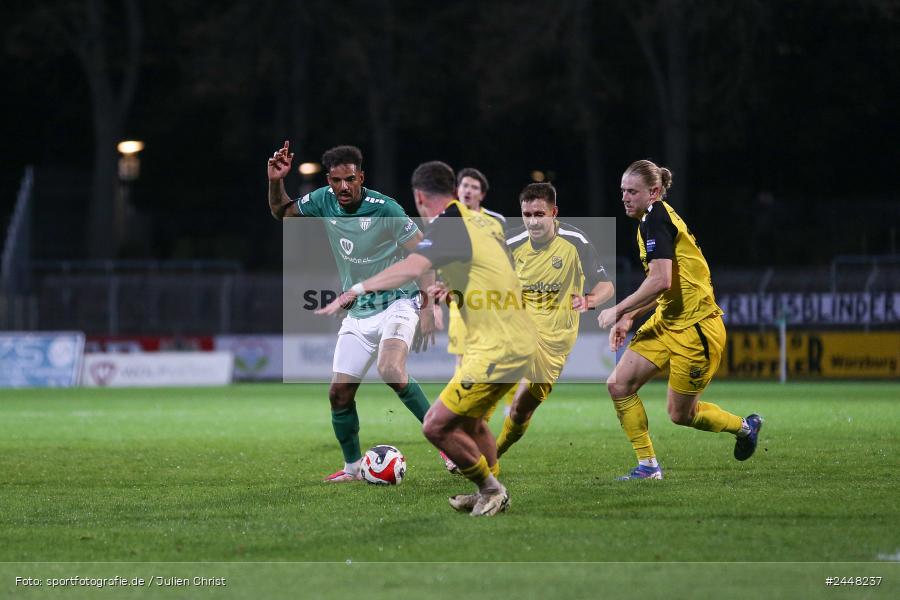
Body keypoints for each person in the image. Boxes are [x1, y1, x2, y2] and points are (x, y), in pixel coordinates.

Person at [317, 161, 537, 517]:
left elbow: (411, 267)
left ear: (419, 197)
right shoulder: (480, 220)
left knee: (436, 426)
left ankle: (491, 489)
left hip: (499, 347)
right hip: (515, 339)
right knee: (473, 423)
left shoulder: (448, 225)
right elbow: (493, 267)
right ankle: (489, 489)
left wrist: (357, 288)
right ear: (453, 189)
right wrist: (452, 288)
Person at [267, 141, 442, 483]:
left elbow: (424, 256)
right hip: (360, 311)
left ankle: (447, 445)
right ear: (329, 181)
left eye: (350, 179)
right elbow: (282, 213)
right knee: (339, 394)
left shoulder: (385, 208)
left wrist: (427, 307)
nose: (343, 187)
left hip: (399, 302)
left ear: (361, 177)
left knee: (390, 368)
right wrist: (276, 181)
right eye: (336, 180)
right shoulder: (323, 200)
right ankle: (352, 469)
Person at [598, 159, 763, 480]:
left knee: (681, 414)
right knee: (619, 385)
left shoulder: (656, 218)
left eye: (632, 191)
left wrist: (617, 309)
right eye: (623, 191)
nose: (625, 197)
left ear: (654, 192)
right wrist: (630, 315)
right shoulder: (650, 220)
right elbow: (668, 285)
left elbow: (660, 280)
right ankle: (648, 467)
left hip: (696, 328)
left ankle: (745, 428)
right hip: (667, 321)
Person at [495, 182, 614, 458]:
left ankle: (493, 454)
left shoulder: (576, 242)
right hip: (521, 331)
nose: (533, 222)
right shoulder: (510, 243)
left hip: (556, 343)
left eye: (539, 214)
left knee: (520, 411)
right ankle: (464, 445)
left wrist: (589, 300)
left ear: (554, 213)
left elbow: (606, 286)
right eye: (527, 215)